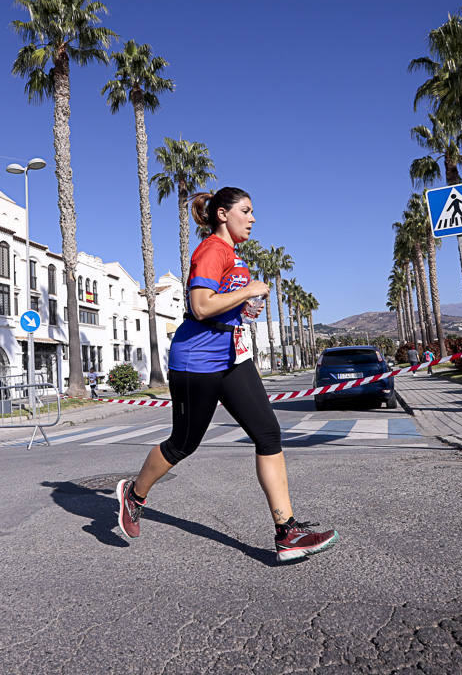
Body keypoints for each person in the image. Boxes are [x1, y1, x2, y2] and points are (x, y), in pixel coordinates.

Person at [115, 187, 339, 564]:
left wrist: (246, 307)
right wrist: (248, 290)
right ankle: (134, 495)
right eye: (246, 211)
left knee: (268, 434)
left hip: (232, 357)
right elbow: (200, 307)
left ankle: (287, 532)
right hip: (195, 362)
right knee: (183, 444)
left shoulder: (236, 258)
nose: (252, 219)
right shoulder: (211, 251)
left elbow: (224, 306)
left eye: (253, 212)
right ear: (223, 214)